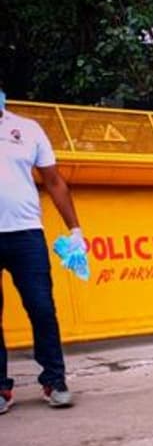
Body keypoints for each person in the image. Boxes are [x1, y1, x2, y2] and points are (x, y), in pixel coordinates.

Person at [0, 81, 82, 413]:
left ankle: (54, 380)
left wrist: (74, 228)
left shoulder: (27, 129)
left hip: (26, 234)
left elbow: (54, 181)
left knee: (42, 309)